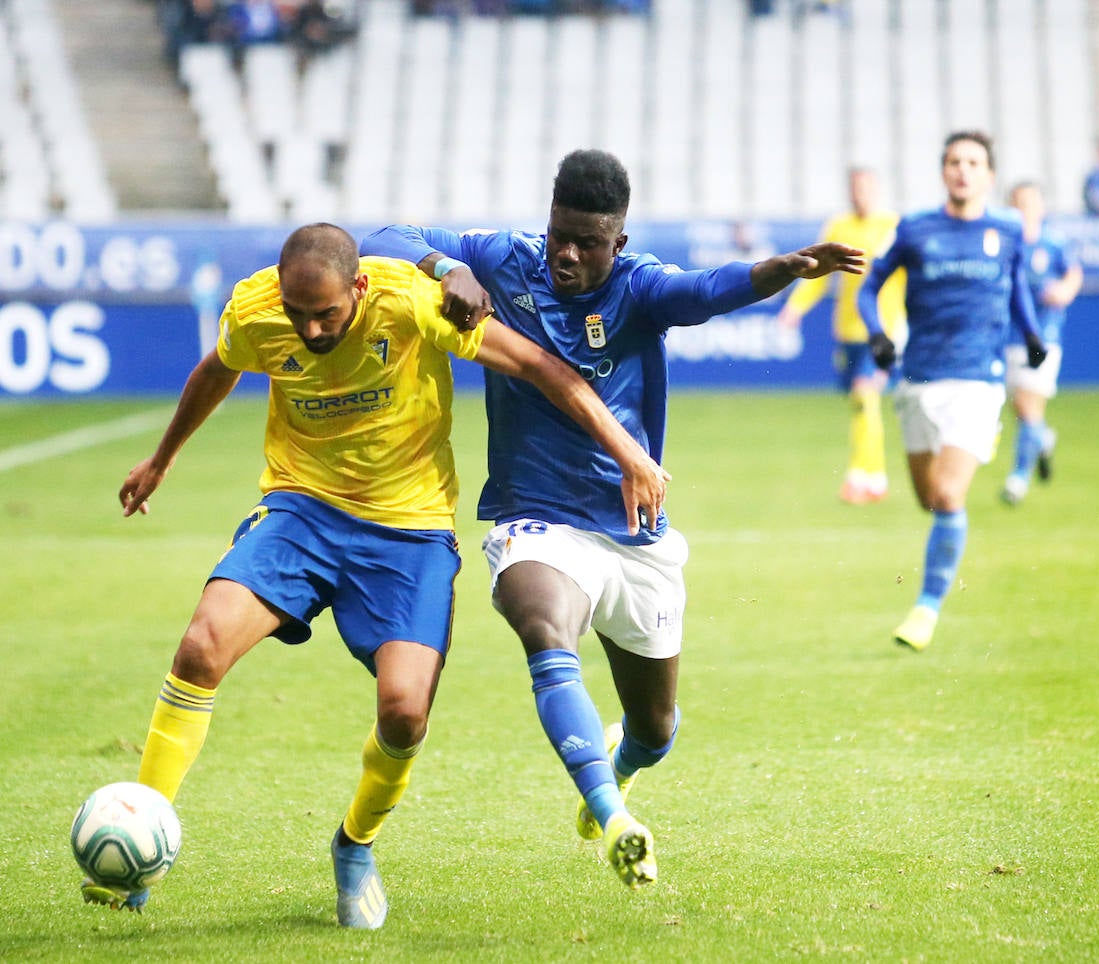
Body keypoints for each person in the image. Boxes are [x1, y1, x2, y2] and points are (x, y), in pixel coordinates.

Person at [89, 224, 666, 927]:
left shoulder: (412, 303)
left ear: (358, 288)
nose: (308, 328)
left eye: (326, 314)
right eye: (297, 313)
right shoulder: (256, 310)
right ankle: (142, 827)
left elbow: (543, 367)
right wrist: (162, 459)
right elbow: (219, 366)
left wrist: (629, 453)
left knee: (403, 711)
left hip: (409, 532)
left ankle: (355, 846)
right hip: (301, 509)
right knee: (201, 646)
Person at [361, 149, 864, 889]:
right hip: (537, 519)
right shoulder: (505, 259)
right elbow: (383, 236)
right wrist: (445, 268)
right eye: (560, 233)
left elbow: (705, 291)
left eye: (588, 243)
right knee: (542, 621)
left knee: (656, 730)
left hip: (633, 533)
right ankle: (613, 817)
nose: (567, 253)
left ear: (617, 243)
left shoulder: (638, 287)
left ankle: (622, 771)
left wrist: (782, 270)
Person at [860, 131, 1046, 652]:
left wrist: (1030, 336)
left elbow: (1017, 288)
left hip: (978, 381)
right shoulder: (917, 228)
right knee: (928, 499)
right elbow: (870, 286)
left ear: (988, 175)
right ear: (943, 171)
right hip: (918, 379)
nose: (963, 170)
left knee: (947, 493)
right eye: (954, 161)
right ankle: (931, 591)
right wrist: (876, 333)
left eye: (973, 162)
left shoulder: (1006, 229)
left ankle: (926, 608)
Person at [777, 167, 907, 504]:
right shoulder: (839, 227)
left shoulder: (893, 227)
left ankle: (860, 476)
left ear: (876, 190)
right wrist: (795, 307)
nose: (859, 194)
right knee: (860, 404)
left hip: (881, 331)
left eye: (865, 187)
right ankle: (876, 478)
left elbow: (910, 274)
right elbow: (818, 275)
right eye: (854, 188)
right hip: (847, 332)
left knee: (866, 397)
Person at [1000, 181, 1083, 506]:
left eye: (1030, 202)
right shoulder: (1004, 244)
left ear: (1041, 207)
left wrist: (1065, 290)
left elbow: (1074, 274)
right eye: (1018, 203)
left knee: (1026, 404)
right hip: (1008, 335)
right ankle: (1042, 439)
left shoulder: (1054, 242)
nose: (1024, 209)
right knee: (1019, 408)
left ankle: (1018, 478)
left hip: (1044, 336)